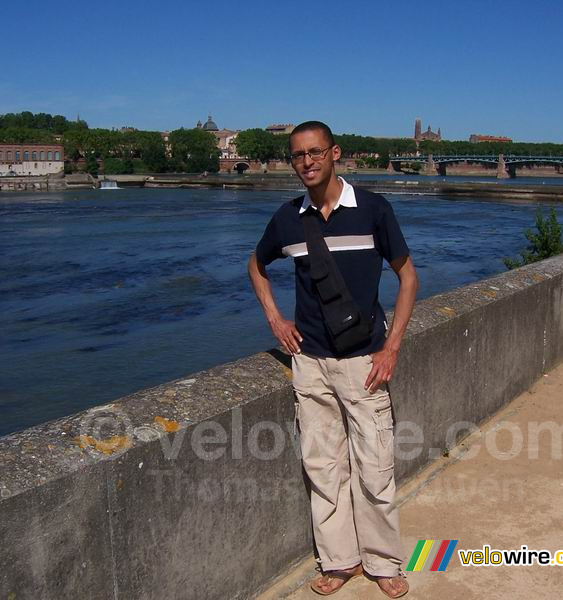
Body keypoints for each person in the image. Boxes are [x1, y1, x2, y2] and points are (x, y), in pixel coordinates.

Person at [247, 121, 418, 597]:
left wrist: (393, 346)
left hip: (364, 361)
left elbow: (408, 278)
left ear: (334, 153)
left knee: (375, 468)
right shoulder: (287, 219)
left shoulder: (373, 210)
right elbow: (255, 266)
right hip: (311, 364)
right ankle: (339, 560)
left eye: (315, 152)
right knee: (323, 469)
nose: (307, 162)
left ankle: (383, 562)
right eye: (298, 156)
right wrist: (276, 321)